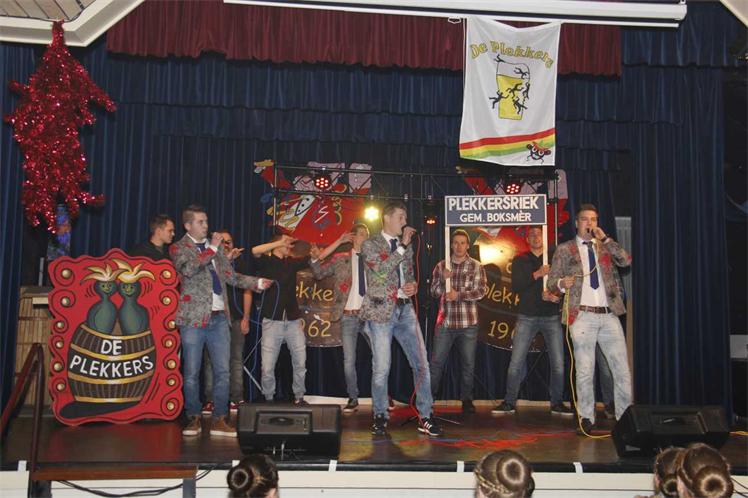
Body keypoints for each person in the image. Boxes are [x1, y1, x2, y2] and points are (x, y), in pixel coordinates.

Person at [172, 205, 271, 437]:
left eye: (206, 221)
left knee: (223, 371)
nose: (206, 226)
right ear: (188, 225)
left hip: (218, 319)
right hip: (193, 320)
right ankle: (193, 417)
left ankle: (219, 418)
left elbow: (230, 276)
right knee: (192, 372)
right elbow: (189, 269)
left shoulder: (213, 248)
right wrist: (213, 248)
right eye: (200, 222)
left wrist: (255, 283)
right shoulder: (179, 248)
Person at [547, 203, 632, 435]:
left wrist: (605, 239)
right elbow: (551, 282)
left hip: (609, 315)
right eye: (585, 219)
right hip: (582, 315)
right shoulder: (565, 249)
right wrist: (561, 284)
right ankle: (586, 417)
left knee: (621, 370)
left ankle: (626, 419)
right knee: (585, 371)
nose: (590, 223)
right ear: (577, 223)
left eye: (593, 219)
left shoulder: (605, 246)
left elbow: (625, 261)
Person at [361, 201, 442, 437]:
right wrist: (403, 245)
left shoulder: (405, 246)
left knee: (422, 364)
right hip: (380, 311)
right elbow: (381, 271)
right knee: (381, 368)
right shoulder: (370, 244)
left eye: (405, 218)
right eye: (400, 217)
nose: (405, 222)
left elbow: (408, 274)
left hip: (405, 310)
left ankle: (426, 415)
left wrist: (412, 285)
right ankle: (379, 415)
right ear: (387, 218)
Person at [493, 226, 572, 416]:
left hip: (551, 316)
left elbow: (564, 285)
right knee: (516, 361)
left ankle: (557, 402)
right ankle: (509, 402)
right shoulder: (521, 260)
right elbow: (516, 286)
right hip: (527, 316)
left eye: (539, 234)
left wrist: (556, 296)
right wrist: (537, 274)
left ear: (544, 237)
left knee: (558, 363)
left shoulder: (554, 259)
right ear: (527, 239)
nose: (536, 237)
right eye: (532, 235)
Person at [310, 224, 373, 413]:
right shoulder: (340, 259)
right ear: (353, 237)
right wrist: (315, 257)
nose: (364, 237)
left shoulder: (374, 260)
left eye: (367, 235)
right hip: (348, 316)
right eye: (361, 234)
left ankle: (383, 395)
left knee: (381, 356)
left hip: (370, 316)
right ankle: (353, 397)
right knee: (348, 361)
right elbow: (318, 273)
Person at [252, 234, 318, 404]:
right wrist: (279, 242)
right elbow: (255, 250)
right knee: (267, 367)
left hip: (293, 321)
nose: (290, 245)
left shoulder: (291, 263)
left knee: (300, 362)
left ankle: (299, 396)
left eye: (289, 243)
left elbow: (317, 256)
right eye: (286, 243)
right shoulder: (267, 262)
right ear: (277, 244)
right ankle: (268, 398)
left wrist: (339, 241)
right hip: (272, 321)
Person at [429, 229, 487, 414]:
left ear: (468, 245)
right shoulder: (442, 266)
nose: (459, 246)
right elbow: (433, 291)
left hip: (468, 323)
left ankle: (467, 399)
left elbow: (481, 291)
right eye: (456, 243)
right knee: (436, 363)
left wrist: (458, 295)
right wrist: (443, 281)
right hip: (445, 323)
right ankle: (428, 399)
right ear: (451, 245)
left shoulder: (476, 266)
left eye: (462, 243)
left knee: (468, 364)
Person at [200, 229, 253, 416]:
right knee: (210, 361)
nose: (227, 245)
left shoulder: (241, 263)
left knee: (236, 359)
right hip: (215, 318)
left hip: (236, 319)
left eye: (229, 241)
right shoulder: (209, 261)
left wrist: (246, 317)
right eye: (222, 242)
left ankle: (236, 398)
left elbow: (247, 290)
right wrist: (226, 260)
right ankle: (210, 400)